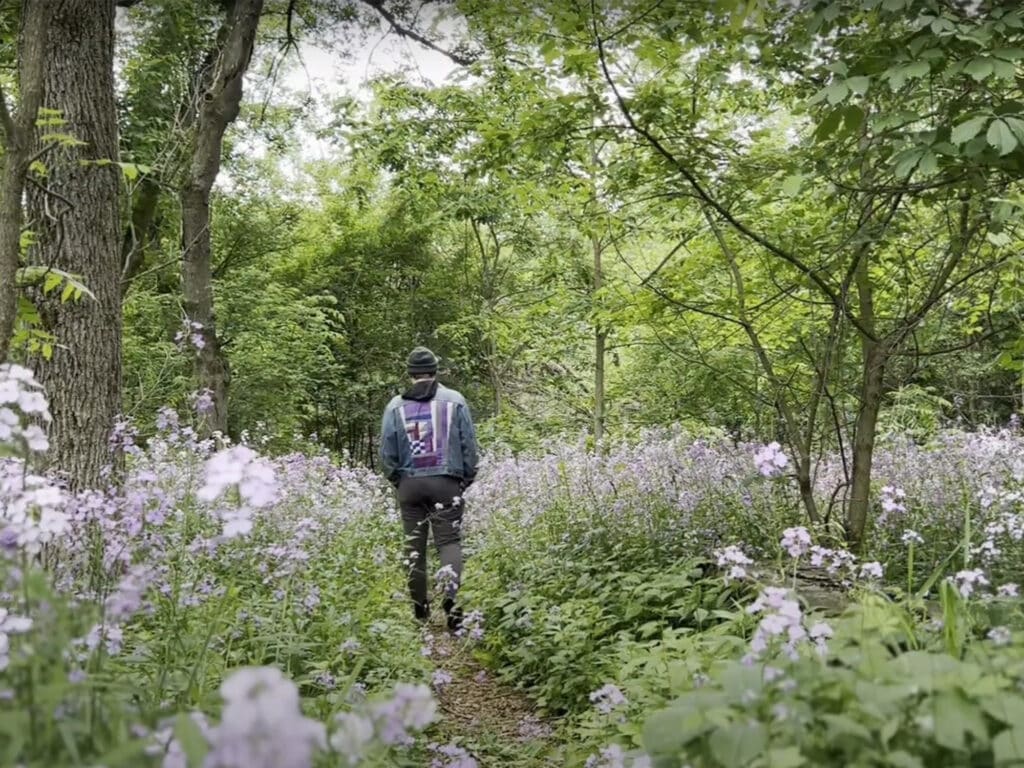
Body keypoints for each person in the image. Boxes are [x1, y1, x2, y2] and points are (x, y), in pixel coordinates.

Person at [380, 346, 478, 630]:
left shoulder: (394, 407)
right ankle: (452, 605)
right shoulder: (455, 401)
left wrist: (398, 480)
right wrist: (465, 478)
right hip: (446, 483)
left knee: (415, 547)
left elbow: (387, 453)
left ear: (410, 373)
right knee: (449, 543)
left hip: (409, 485)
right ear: (436, 370)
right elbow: (468, 446)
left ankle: (420, 613)